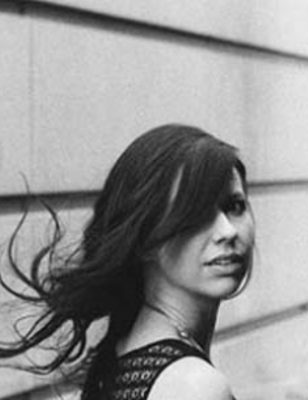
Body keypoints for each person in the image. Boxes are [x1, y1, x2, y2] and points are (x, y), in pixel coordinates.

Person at [0, 124, 255, 399]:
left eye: (235, 206)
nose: (228, 231)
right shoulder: (195, 386)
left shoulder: (124, 349)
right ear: (145, 238)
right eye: (196, 214)